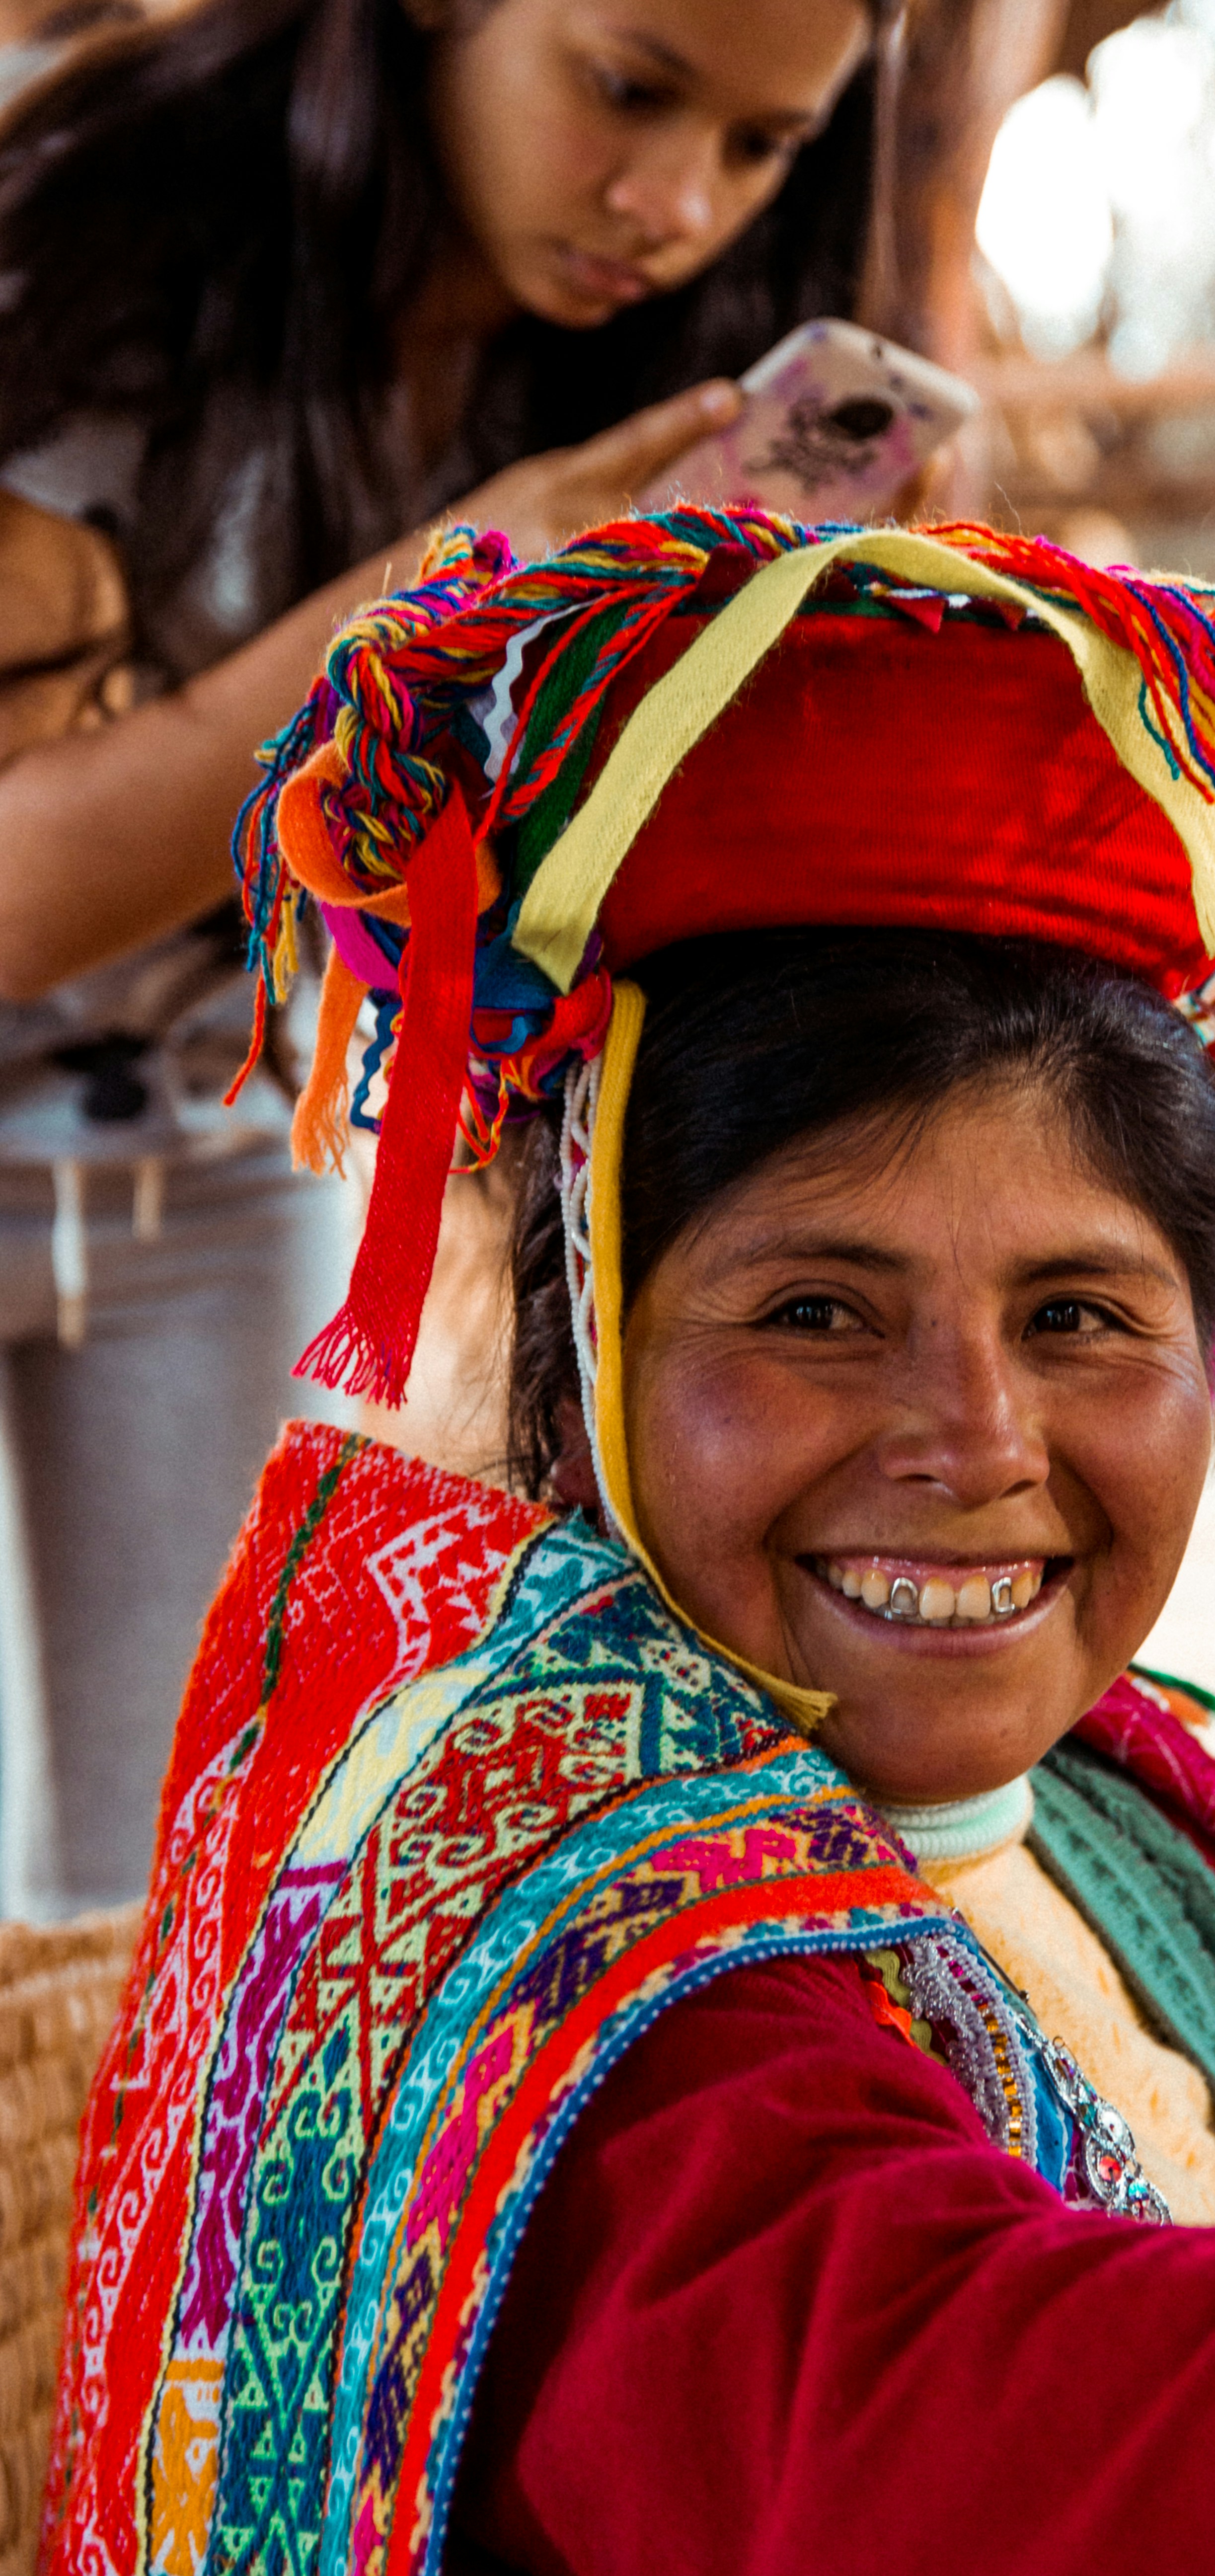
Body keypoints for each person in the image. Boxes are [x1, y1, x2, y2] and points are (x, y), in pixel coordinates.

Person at [36, 507, 1215, 2576]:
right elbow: (926, 2461)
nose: (972, 1439)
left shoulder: (1110, 1828)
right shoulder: (537, 1938)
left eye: (1081, 1316)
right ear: (589, 1346)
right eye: (815, 1314)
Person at [0, 0, 897, 1909]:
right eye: (632, 88)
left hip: (212, 1159)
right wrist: (432, 601)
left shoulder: (641, 394)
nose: (674, 203)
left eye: (761, 149)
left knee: (195, 1884)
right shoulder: (83, 242)